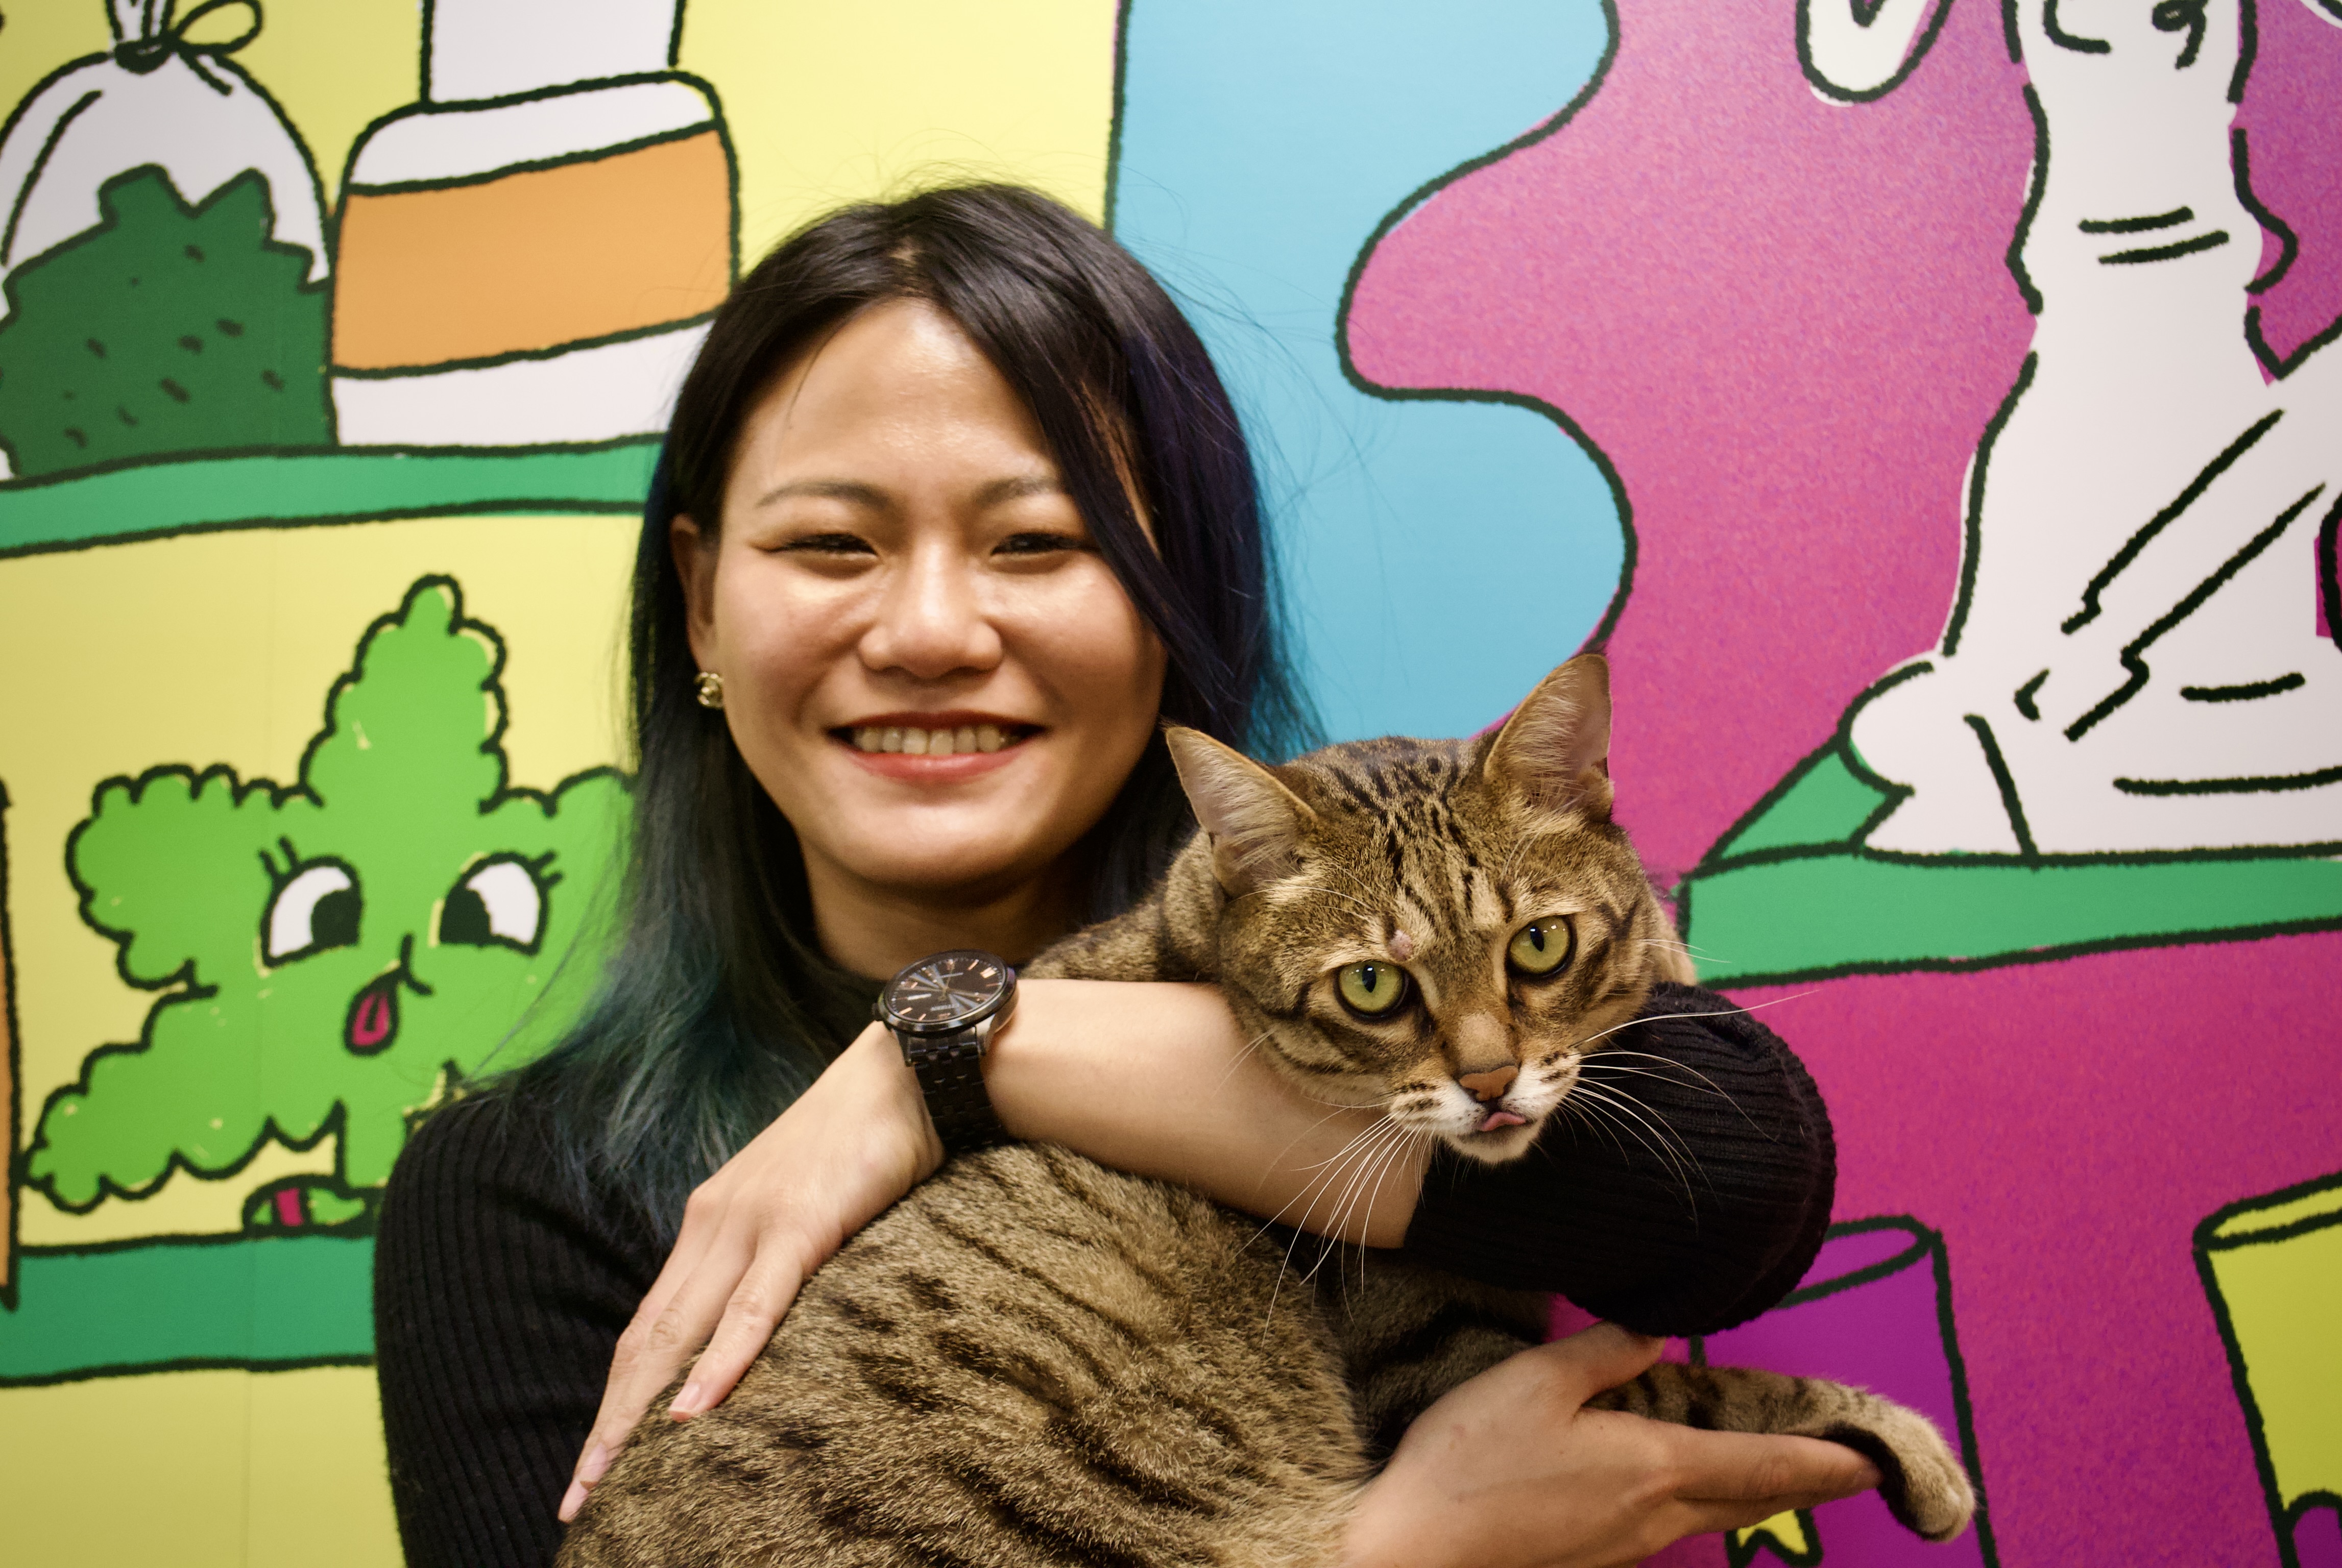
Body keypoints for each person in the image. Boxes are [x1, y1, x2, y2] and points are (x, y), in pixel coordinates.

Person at [373, 185, 1878, 1568]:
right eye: (834, 543)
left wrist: (946, 1056)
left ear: (1172, 599)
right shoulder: (519, 1191)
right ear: (701, 607)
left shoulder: (1359, 988)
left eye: (1036, 540)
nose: (931, 632)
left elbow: (1739, 1185)